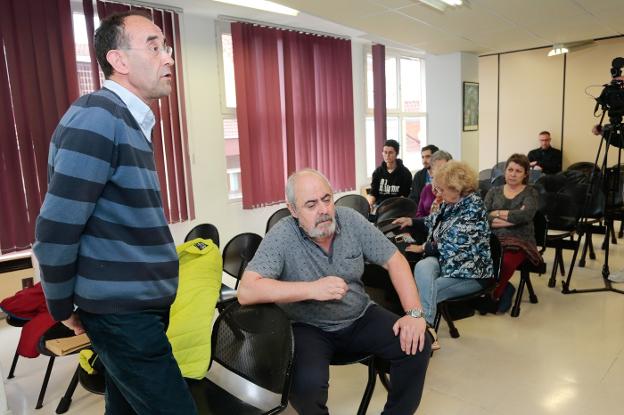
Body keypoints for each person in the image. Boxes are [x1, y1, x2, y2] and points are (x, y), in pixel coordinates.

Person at [33, 11, 197, 414]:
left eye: (167, 47)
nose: (169, 57)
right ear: (118, 61)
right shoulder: (98, 117)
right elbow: (55, 228)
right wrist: (62, 306)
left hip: (135, 308)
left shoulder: (126, 121)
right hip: (121, 314)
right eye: (154, 46)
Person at [238, 169, 431, 415]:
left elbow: (394, 259)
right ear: (293, 210)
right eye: (311, 204)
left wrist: (414, 314)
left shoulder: (350, 220)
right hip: (308, 326)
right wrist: (312, 289)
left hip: (360, 316)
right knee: (306, 386)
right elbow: (247, 290)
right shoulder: (283, 235)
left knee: (417, 344)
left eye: (326, 199)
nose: (323, 210)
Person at [403, 161, 493, 336]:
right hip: (447, 263)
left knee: (426, 291)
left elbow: (453, 244)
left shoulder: (473, 207)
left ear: (456, 188)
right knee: (422, 267)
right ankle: (424, 327)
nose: (438, 193)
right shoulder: (450, 203)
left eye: (442, 189)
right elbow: (432, 221)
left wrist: (423, 247)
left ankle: (423, 329)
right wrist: (411, 221)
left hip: (471, 272)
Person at [483, 154, 542, 313]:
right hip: (493, 237)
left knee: (506, 262)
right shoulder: (494, 191)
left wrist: (497, 213)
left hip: (520, 239)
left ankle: (493, 296)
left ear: (525, 174)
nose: (513, 174)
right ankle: (495, 289)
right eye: (510, 169)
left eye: (518, 171)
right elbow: (483, 216)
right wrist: (513, 217)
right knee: (480, 257)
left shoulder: (530, 192)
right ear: (505, 171)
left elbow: (526, 215)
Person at [367, 139, 413, 208]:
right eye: (385, 152)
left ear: (396, 154)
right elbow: (373, 193)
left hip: (397, 208)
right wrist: (369, 204)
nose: (387, 155)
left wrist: (389, 207)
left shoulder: (405, 173)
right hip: (380, 207)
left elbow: (404, 196)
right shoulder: (377, 172)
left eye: (390, 152)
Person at [415, 150, 453, 217]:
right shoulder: (427, 189)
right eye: (436, 168)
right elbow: (419, 214)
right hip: (426, 225)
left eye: (443, 168)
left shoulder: (455, 190)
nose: (440, 171)